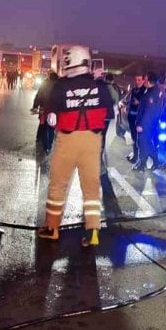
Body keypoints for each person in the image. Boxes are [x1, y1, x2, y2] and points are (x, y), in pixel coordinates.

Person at [37, 45, 114, 248]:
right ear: (87, 63)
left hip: (67, 142)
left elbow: (51, 119)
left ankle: (52, 229)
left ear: (68, 63)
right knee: (90, 189)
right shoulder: (101, 87)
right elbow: (109, 114)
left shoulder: (60, 88)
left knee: (58, 184)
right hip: (92, 142)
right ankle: (93, 233)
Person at [135, 71, 166, 171]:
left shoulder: (153, 93)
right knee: (147, 143)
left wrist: (142, 124)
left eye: (146, 78)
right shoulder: (152, 90)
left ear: (149, 80)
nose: (144, 80)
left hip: (147, 124)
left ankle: (142, 164)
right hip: (149, 123)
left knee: (143, 143)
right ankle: (155, 161)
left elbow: (149, 111)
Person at [32, 71, 59, 154]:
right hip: (54, 110)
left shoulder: (45, 84)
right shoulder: (59, 86)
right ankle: (49, 145)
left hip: (44, 109)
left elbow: (38, 95)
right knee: (51, 128)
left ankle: (44, 144)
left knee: (44, 126)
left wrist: (35, 106)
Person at [125, 74, 148, 163]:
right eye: (136, 80)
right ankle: (135, 154)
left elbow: (146, 105)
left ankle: (137, 158)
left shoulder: (145, 91)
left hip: (138, 118)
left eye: (139, 80)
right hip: (131, 116)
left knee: (138, 138)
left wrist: (139, 103)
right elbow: (129, 101)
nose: (137, 82)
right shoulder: (134, 90)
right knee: (134, 138)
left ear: (143, 81)